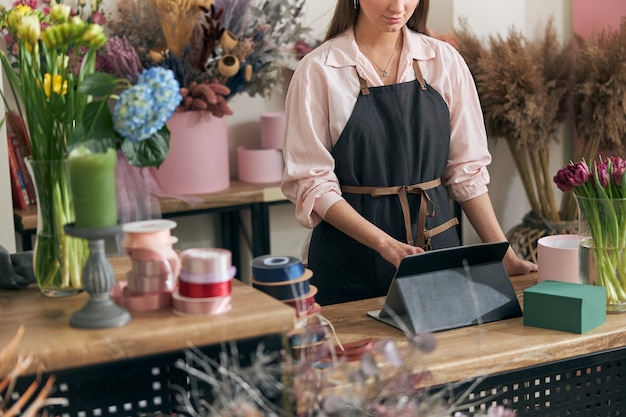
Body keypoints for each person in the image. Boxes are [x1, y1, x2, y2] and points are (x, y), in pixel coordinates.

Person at [281, 0, 537, 306]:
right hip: (350, 261)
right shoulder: (320, 70)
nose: (398, 6)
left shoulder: (444, 61)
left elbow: (466, 173)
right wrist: (385, 244)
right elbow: (313, 182)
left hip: (436, 251)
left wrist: (505, 255)